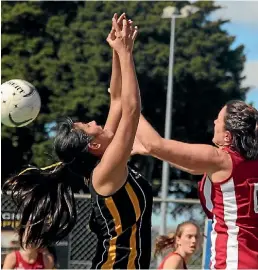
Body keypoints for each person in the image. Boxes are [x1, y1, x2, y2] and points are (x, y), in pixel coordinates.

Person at [3, 14, 153, 269]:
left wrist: (116, 50)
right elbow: (130, 108)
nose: (95, 122)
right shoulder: (104, 173)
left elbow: (117, 99)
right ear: (93, 146)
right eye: (89, 127)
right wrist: (126, 52)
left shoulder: (103, 161)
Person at [132, 101, 258, 269]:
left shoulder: (222, 160)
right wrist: (155, 152)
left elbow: (154, 143)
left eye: (218, 120)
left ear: (228, 136)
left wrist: (127, 103)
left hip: (233, 263)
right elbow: (191, 165)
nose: (214, 122)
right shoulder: (249, 164)